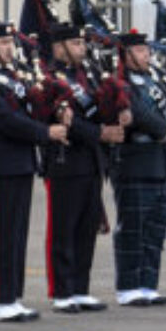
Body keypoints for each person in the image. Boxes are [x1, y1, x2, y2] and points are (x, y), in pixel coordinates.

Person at [0, 20, 68, 322]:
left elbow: (32, 107)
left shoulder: (12, 77)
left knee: (17, 233)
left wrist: (59, 105)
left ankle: (12, 296)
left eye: (9, 42)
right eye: (2, 43)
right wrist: (46, 132)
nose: (9, 48)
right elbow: (5, 120)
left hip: (21, 161)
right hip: (0, 160)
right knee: (2, 233)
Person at [44, 22, 121, 313]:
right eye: (75, 44)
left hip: (90, 160)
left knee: (87, 226)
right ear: (58, 48)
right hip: (64, 160)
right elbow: (65, 119)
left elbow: (97, 109)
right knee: (63, 227)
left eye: (82, 43)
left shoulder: (87, 74)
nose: (82, 49)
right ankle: (61, 290)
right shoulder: (50, 78)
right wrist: (100, 133)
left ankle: (80, 288)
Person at [111, 29, 166, 307]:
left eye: (147, 50)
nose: (147, 56)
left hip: (160, 160)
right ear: (126, 54)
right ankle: (128, 286)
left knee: (155, 226)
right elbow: (139, 115)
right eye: (141, 51)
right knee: (133, 227)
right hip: (134, 160)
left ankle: (148, 283)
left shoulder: (156, 80)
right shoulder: (121, 83)